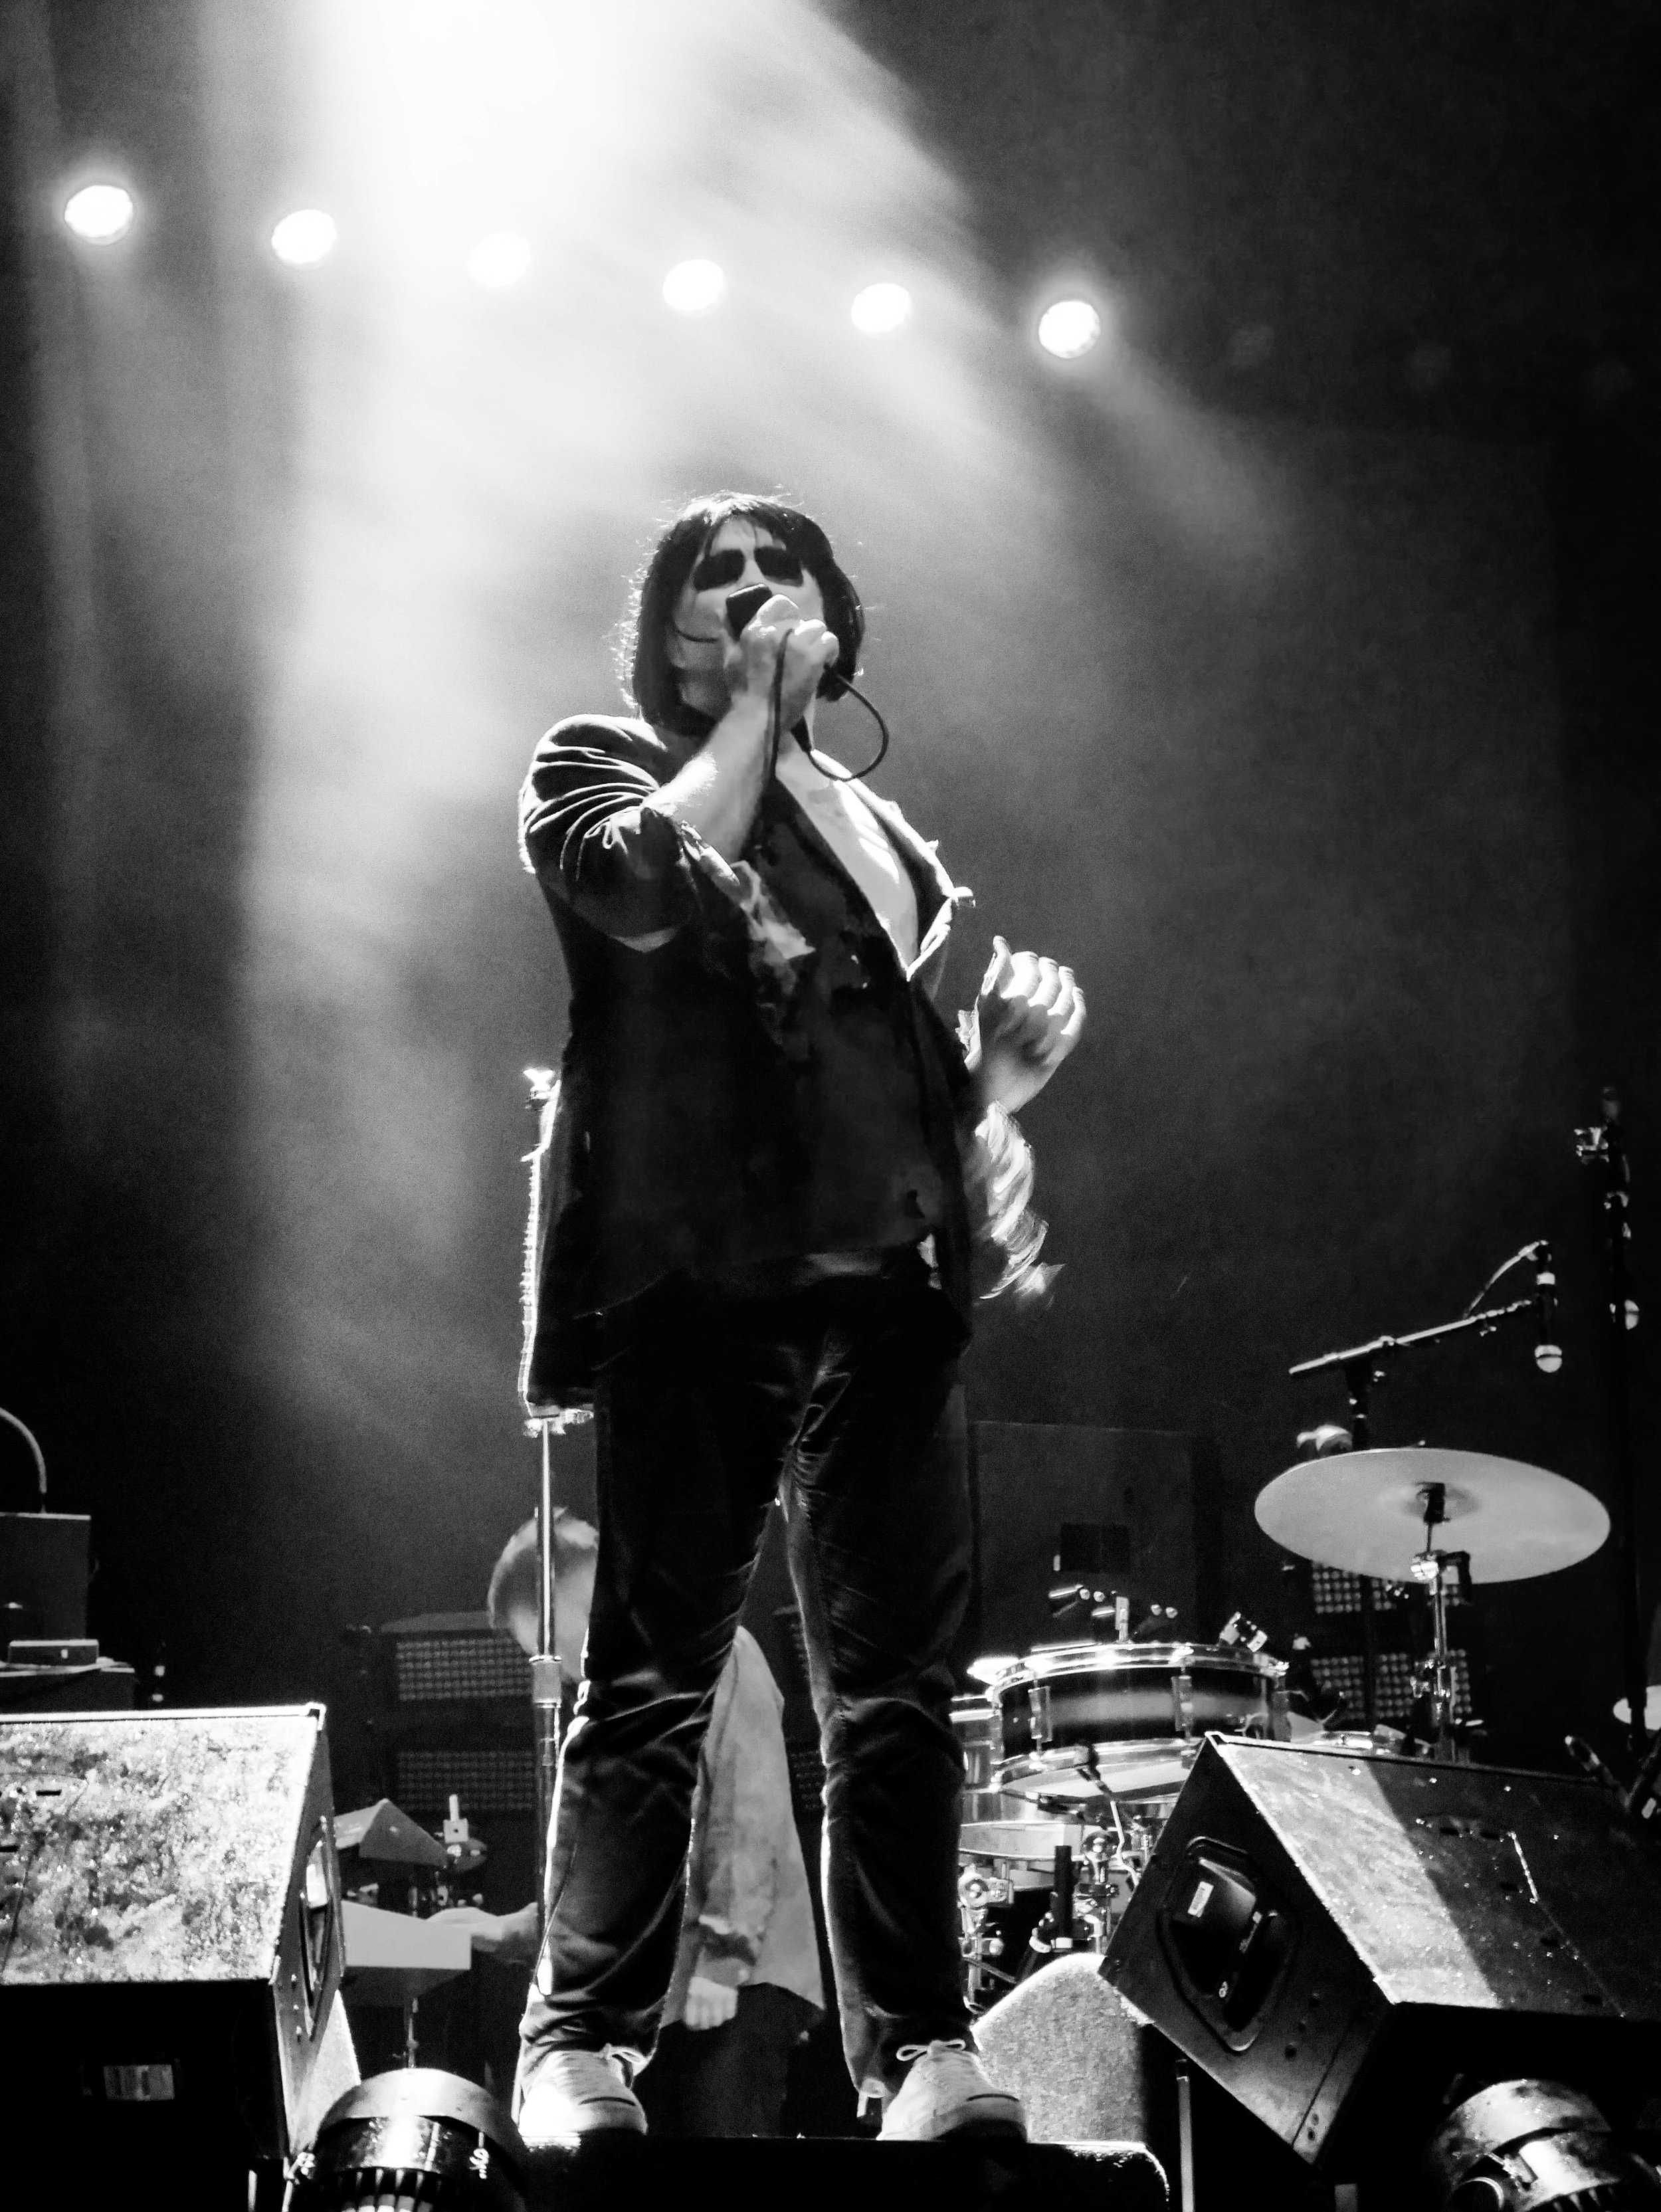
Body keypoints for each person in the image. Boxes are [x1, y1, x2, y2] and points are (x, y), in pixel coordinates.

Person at [513, 492, 1085, 2146]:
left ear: (842, 613)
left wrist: (995, 1078)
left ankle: (914, 2046)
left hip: (884, 1299)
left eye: (787, 572)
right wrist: (756, 714)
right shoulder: (594, 765)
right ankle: (578, 2043)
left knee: (895, 1695)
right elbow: (639, 896)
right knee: (655, 1677)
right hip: (699, 1274)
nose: (759, 590)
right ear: (671, 636)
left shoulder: (877, 833)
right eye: (721, 578)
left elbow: (876, 1090)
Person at [437, 1512, 824, 2136]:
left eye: (546, 1639)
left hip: (741, 1976)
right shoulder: (622, 1700)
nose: (557, 1667)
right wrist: (508, 1932)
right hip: (673, 1987)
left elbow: (747, 1809)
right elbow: (614, 1870)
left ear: (569, 1593)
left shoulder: (713, 1653)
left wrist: (724, 1959)